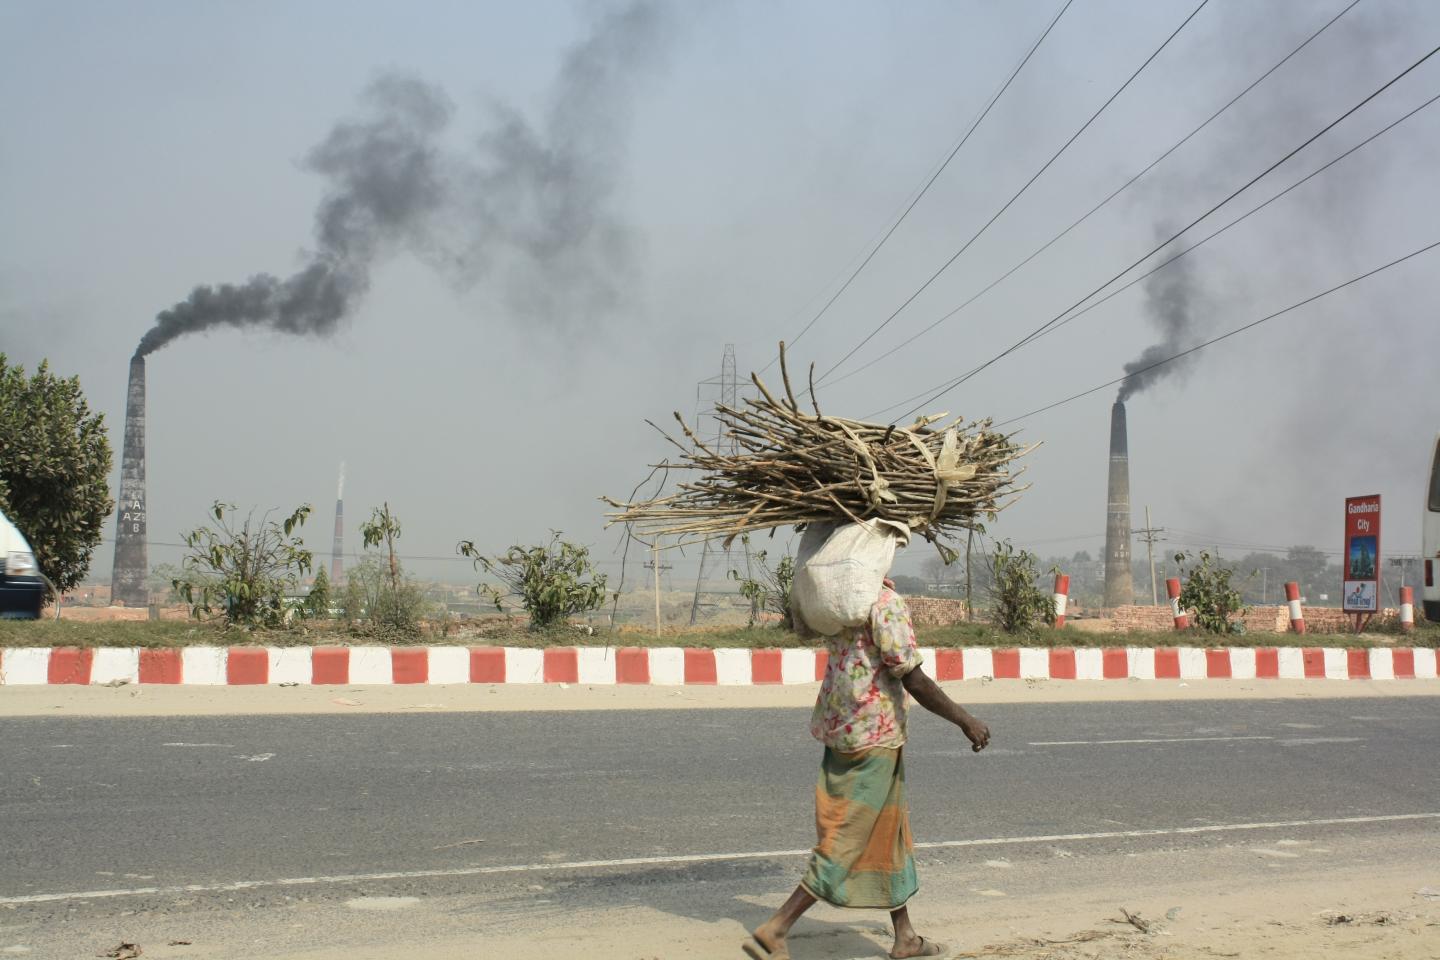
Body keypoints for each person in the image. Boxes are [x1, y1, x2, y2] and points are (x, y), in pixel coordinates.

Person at [744, 577, 991, 960]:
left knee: (888, 830)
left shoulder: (835, 597)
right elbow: (913, 676)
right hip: (874, 735)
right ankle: (776, 928)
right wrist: (965, 720)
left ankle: (905, 936)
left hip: (841, 725)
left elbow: (803, 624)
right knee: (848, 836)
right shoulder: (884, 602)